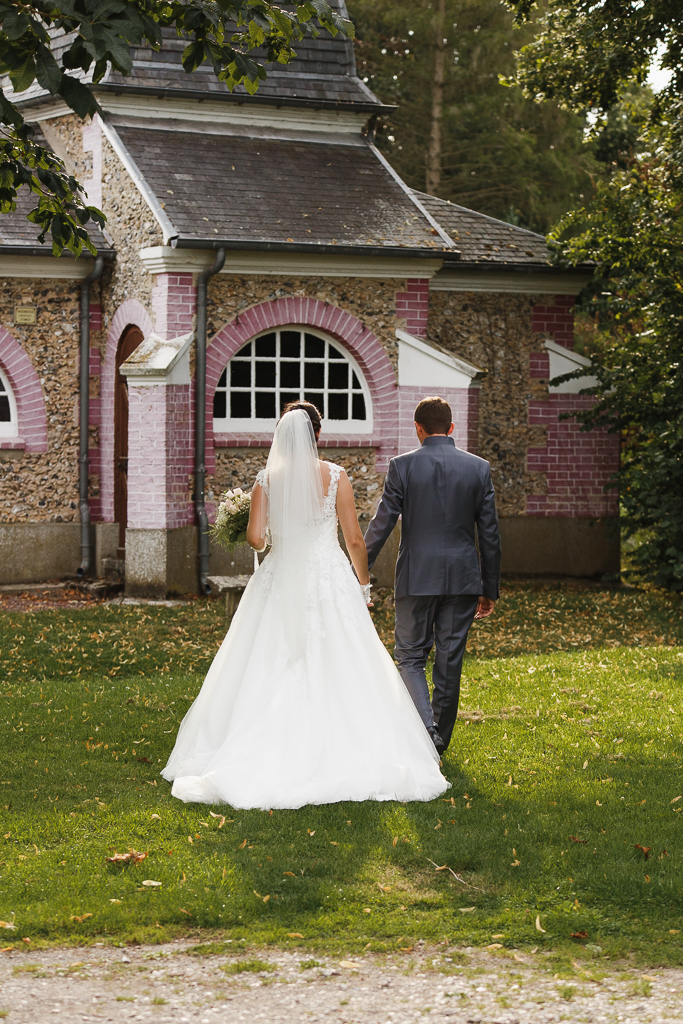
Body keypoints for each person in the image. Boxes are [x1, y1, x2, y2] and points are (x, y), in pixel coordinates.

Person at [162, 402, 448, 809]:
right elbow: (353, 540)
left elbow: (258, 539)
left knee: (270, 657)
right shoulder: (336, 476)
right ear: (317, 435)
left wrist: (251, 521)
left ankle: (260, 740)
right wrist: (364, 585)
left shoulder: (267, 479)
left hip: (280, 578)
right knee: (344, 656)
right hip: (327, 575)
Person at [364, 396, 501, 755]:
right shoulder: (479, 468)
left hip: (416, 576)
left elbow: (382, 524)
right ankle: (438, 742)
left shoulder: (402, 466)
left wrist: (356, 571)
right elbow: (489, 534)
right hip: (464, 578)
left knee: (410, 656)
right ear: (451, 428)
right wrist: (490, 588)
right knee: (449, 659)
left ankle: (425, 729)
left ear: (418, 428)